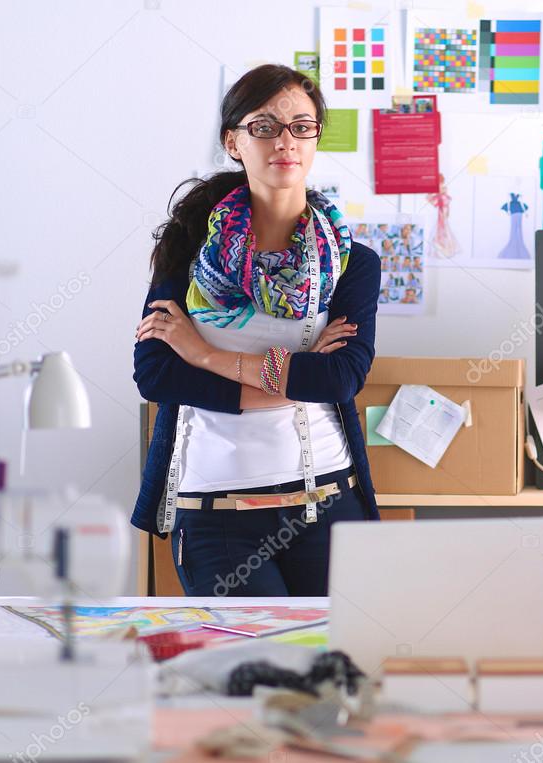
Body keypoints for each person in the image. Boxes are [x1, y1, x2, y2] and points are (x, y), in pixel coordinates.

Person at [131, 64, 381, 596]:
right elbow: (155, 376)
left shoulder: (349, 263)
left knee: (339, 674)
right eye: (264, 127)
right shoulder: (188, 252)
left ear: (315, 139)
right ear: (234, 141)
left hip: (330, 504)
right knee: (250, 676)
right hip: (218, 517)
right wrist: (292, 381)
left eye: (301, 126)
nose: (284, 141)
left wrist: (203, 355)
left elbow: (339, 378)